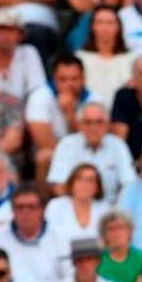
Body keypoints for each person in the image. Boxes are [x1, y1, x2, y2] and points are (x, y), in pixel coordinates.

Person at [0, 184, 70, 282]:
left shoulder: (59, 235)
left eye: (31, 207)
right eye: (20, 207)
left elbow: (69, 277)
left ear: (42, 209)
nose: (26, 212)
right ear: (12, 210)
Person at [48, 101, 136, 204]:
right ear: (79, 125)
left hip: (110, 208)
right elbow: (58, 185)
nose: (93, 127)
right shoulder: (66, 144)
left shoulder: (118, 145)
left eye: (99, 122)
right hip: (74, 206)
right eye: (88, 122)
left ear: (107, 125)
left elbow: (129, 184)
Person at [25, 53, 88, 185]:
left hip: (87, 154)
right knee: (44, 156)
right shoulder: (40, 96)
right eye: (63, 79)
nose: (69, 84)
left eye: (74, 79)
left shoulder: (93, 100)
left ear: (84, 79)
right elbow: (43, 142)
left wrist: (70, 115)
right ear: (54, 79)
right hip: (54, 153)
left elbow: (91, 140)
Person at [0, 7, 47, 102]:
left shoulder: (29, 53)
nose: (6, 35)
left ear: (20, 36)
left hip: (24, 111)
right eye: (1, 29)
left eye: (11, 30)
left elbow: (37, 88)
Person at [75, 6, 133, 114]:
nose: (105, 27)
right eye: (100, 23)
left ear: (118, 27)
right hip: (88, 116)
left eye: (110, 23)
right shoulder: (80, 57)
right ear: (92, 27)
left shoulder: (131, 58)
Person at [46, 163, 105, 241]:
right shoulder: (55, 206)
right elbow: (48, 238)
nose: (84, 184)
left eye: (90, 180)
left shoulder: (105, 209)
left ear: (97, 187)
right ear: (71, 184)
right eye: (79, 179)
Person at [96, 210, 142, 282]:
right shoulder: (97, 261)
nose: (116, 233)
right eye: (111, 229)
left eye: (121, 227)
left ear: (130, 232)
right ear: (104, 235)